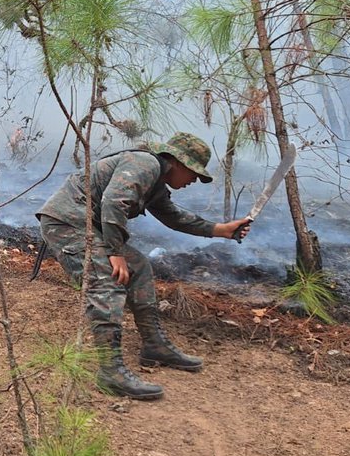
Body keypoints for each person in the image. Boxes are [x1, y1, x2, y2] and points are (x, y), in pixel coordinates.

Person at [36, 132, 251, 401]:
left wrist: (220, 230)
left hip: (88, 226)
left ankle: (154, 344)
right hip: (68, 223)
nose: (194, 180)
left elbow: (173, 217)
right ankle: (110, 371)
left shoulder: (156, 183)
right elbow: (114, 202)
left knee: (139, 267)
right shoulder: (145, 164)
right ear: (178, 162)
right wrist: (114, 252)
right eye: (193, 173)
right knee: (106, 282)